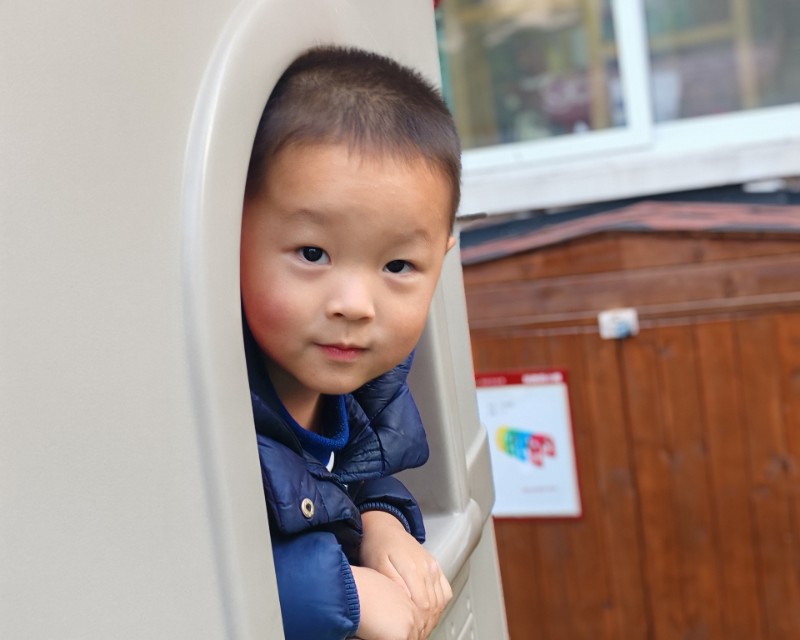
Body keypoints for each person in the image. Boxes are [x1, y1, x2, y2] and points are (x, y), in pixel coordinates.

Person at [239, 46, 461, 640]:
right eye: (313, 254)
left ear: (442, 259)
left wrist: (381, 522)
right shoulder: (214, 410)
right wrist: (344, 593)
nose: (356, 305)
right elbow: (181, 557)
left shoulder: (369, 393)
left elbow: (349, 477)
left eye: (397, 266)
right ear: (233, 233)